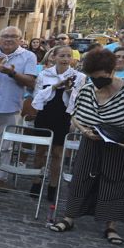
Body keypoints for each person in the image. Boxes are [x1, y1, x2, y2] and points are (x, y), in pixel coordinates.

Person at [48, 49, 124, 247]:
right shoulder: (88, 89)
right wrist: (85, 131)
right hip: (93, 141)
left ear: (111, 71)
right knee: (81, 179)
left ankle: (110, 226)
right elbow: (76, 115)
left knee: (115, 182)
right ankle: (69, 217)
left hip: (121, 144)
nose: (96, 82)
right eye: (92, 78)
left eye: (100, 78)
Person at [0, 26, 38, 187]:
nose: (8, 39)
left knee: (6, 145)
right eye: (5, 36)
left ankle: (1, 178)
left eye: (13, 36)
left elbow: (31, 82)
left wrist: (12, 73)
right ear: (0, 38)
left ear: (20, 39)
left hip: (11, 106)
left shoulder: (28, 56)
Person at [31, 45, 88, 201]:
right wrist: (55, 86)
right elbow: (37, 97)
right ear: (54, 57)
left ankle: (53, 185)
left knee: (57, 153)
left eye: (68, 56)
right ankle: (36, 181)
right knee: (40, 151)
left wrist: (69, 90)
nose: (65, 59)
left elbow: (78, 100)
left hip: (63, 116)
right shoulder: (44, 74)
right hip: (45, 114)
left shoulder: (79, 76)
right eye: (62, 55)